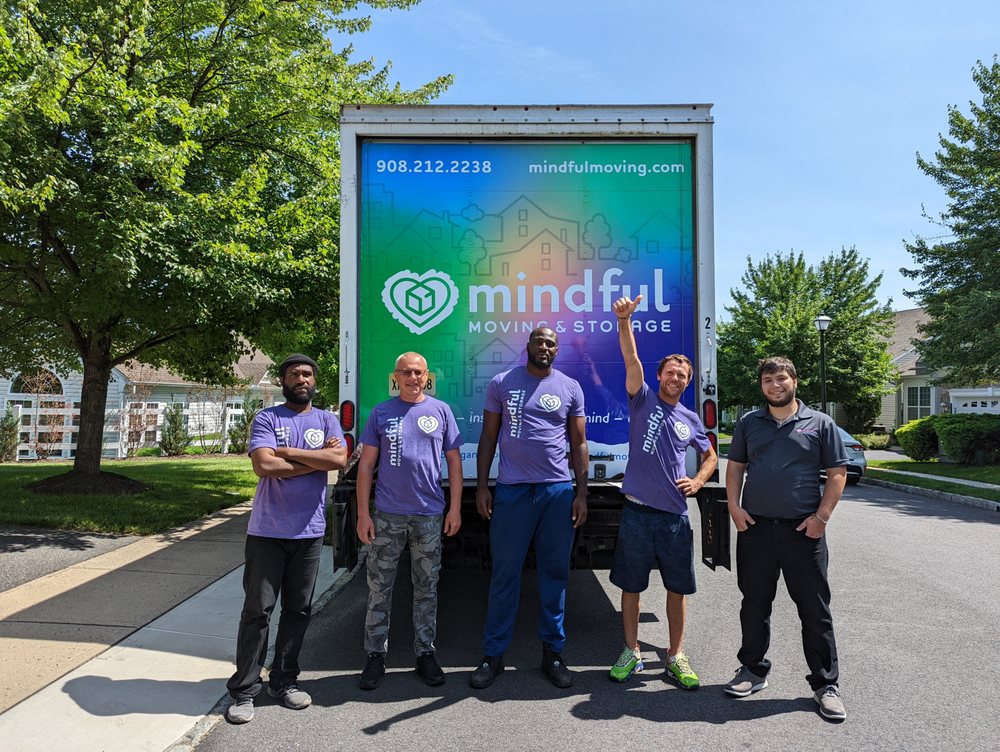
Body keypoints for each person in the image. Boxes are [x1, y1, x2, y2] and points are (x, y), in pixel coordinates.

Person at [724, 356, 849, 721]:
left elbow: (837, 473)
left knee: (814, 609)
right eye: (767, 380)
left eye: (781, 378)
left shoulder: (820, 423)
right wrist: (734, 507)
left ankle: (825, 685)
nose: (774, 385)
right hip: (756, 529)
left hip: (803, 532)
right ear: (761, 386)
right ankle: (752, 670)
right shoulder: (749, 423)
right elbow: (736, 467)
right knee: (754, 604)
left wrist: (821, 518)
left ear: (794, 381)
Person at [225, 354, 348, 725]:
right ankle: (245, 689)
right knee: (257, 612)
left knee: (298, 610)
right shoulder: (268, 418)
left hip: (309, 533)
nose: (301, 378)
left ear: (315, 380)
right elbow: (264, 465)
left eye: (307, 373)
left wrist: (291, 454)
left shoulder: (327, 419)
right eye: (294, 373)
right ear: (283, 380)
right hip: (267, 532)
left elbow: (339, 460)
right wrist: (317, 459)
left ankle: (284, 681)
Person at [607, 295, 718, 688]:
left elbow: (711, 455)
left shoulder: (690, 418)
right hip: (637, 513)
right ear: (659, 377)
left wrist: (699, 480)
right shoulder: (643, 400)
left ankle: (676, 656)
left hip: (674, 518)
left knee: (677, 589)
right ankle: (631, 651)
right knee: (631, 587)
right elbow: (631, 359)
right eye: (671, 373)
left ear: (688, 382)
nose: (676, 378)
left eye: (682, 375)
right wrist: (624, 321)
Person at [470, 326, 589, 689]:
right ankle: (493, 655)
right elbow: (489, 436)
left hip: (557, 493)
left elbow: (579, 443)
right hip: (512, 492)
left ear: (556, 350)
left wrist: (581, 493)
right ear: (529, 346)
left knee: (555, 576)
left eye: (550, 343)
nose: (544, 347)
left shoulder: (571, 387)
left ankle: (553, 653)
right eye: (539, 341)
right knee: (504, 575)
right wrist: (482, 487)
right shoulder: (503, 382)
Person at [355, 352, 463, 690]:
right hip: (388, 515)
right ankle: (375, 656)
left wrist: (455, 508)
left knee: (426, 588)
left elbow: (454, 463)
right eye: (406, 372)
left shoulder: (441, 411)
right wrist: (363, 514)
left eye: (418, 372)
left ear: (426, 376)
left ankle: (425, 653)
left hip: (429, 515)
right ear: (396, 376)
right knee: (379, 588)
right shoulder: (381, 412)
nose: (413, 378)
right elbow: (366, 466)